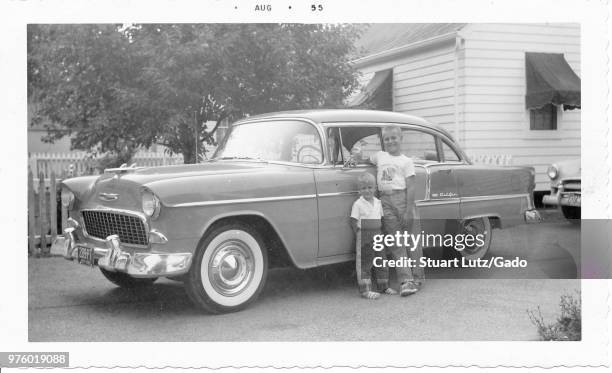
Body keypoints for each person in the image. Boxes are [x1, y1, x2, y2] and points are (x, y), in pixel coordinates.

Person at [370, 125, 425, 296]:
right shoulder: (380, 156)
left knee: (412, 241)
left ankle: (418, 277)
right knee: (396, 243)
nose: (390, 141)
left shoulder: (406, 161)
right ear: (383, 141)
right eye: (386, 139)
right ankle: (406, 281)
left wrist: (409, 210)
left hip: (403, 200)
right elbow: (366, 158)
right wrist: (355, 155)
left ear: (401, 139)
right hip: (385, 201)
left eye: (394, 138)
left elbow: (411, 186)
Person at [350, 172, 397, 299]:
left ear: (375, 188)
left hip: (377, 234)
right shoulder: (358, 204)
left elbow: (381, 219)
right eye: (363, 188)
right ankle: (365, 290)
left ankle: (384, 286)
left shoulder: (377, 202)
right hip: (364, 235)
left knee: (381, 260)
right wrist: (359, 235)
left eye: (370, 187)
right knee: (365, 262)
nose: (367, 190)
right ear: (359, 190)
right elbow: (353, 221)